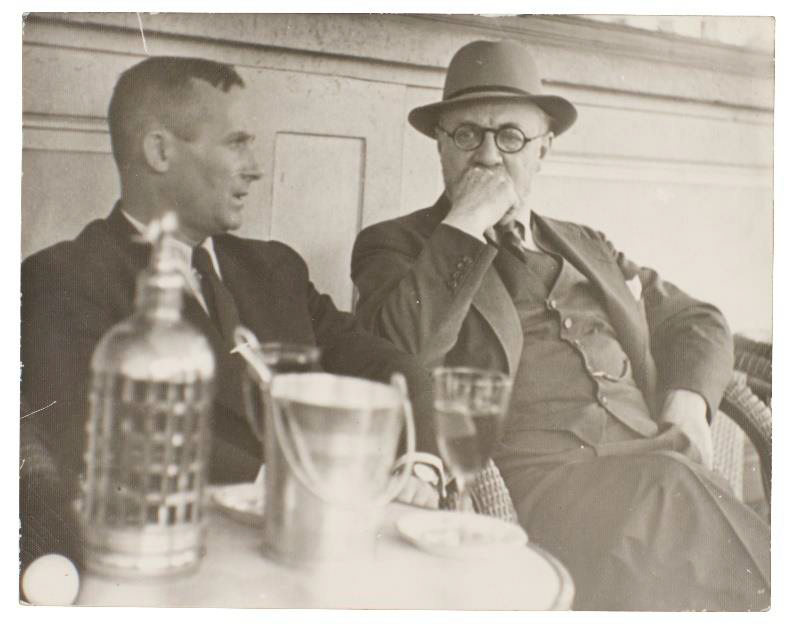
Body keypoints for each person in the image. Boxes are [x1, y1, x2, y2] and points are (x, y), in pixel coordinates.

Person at [351, 39, 770, 611]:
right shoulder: (394, 245)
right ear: (440, 149)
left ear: (544, 149)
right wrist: (467, 219)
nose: (489, 157)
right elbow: (396, 348)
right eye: (467, 135)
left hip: (657, 474)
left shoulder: (586, 244)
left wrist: (690, 402)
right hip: (542, 493)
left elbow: (695, 318)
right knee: (677, 495)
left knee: (675, 506)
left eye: (511, 137)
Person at [20, 56, 435, 588]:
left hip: (326, 551)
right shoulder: (60, 278)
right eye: (236, 142)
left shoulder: (277, 267)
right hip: (190, 568)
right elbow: (98, 434)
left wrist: (422, 461)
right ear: (160, 150)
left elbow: (391, 368)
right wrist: (291, 488)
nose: (256, 166)